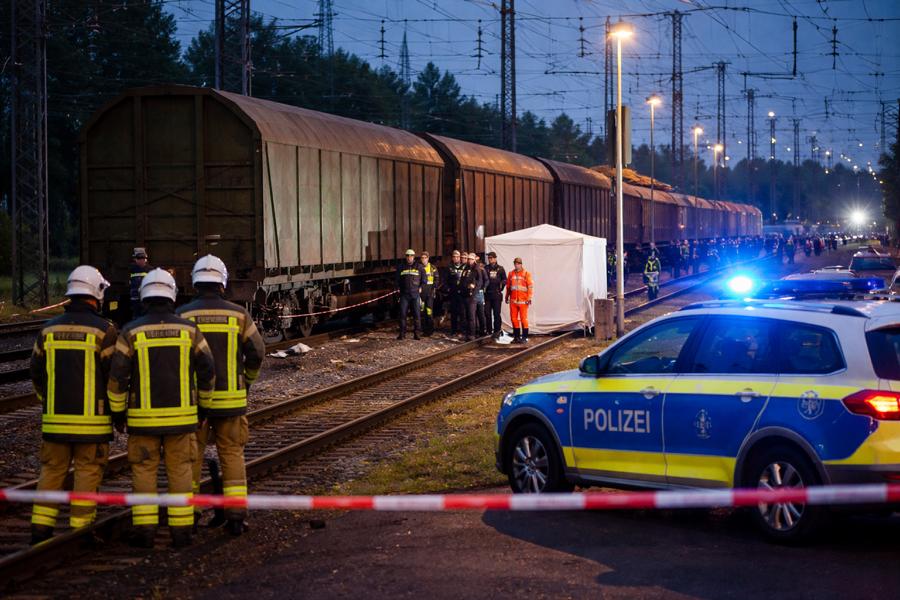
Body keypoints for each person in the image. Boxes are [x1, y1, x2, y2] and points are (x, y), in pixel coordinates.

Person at [107, 268, 216, 549]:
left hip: (142, 422)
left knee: (144, 472)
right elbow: (207, 371)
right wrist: (203, 408)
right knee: (180, 472)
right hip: (182, 421)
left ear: (144, 297)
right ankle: (181, 533)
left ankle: (145, 531)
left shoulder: (130, 332)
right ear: (172, 296)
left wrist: (118, 414)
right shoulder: (190, 331)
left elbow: (118, 378)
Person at [29, 266, 118, 545]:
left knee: (51, 471)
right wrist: (117, 412)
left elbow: (37, 372)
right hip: (92, 423)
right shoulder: (105, 331)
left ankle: (40, 529)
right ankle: (81, 531)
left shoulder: (48, 329)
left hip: (55, 421)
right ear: (96, 293)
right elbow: (113, 377)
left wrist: (48, 402)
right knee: (87, 472)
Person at [177, 255, 265, 536]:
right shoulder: (238, 315)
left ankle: (188, 517)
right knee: (232, 456)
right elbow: (257, 352)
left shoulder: (182, 316)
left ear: (195, 283)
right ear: (222, 284)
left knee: (191, 459)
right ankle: (236, 516)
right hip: (231, 401)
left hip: (193, 405)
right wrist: (246, 381)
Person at [396, 249, 426, 340]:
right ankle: (402, 334)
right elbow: (397, 280)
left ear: (414, 257)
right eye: (408, 256)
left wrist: (421, 287)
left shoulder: (419, 267)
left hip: (415, 295)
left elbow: (424, 280)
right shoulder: (401, 267)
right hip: (404, 295)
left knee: (417, 315)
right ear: (406, 257)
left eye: (411, 256)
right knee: (402, 315)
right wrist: (398, 289)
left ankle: (417, 334)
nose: (409, 258)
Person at [505, 258, 533, 343]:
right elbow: (508, 287)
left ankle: (525, 337)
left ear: (521, 264)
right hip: (513, 301)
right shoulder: (511, 274)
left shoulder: (526, 273)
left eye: (518, 264)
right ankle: (516, 337)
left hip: (523, 301)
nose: (516, 265)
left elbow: (530, 287)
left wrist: (529, 298)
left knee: (523, 319)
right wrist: (506, 296)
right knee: (513, 319)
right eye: (515, 264)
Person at [458, 253, 482, 341]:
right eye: (469, 259)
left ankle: (472, 334)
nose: (469, 260)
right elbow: (462, 279)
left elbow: (480, 282)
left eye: (471, 259)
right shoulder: (466, 268)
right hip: (464, 294)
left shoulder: (477, 269)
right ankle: (465, 333)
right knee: (464, 315)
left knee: (471, 316)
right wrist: (460, 288)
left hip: (472, 296)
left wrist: (474, 289)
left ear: (474, 260)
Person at [484, 252, 506, 338]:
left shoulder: (500, 268)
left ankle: (497, 331)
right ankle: (489, 331)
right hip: (487, 295)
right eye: (489, 258)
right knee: (487, 314)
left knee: (496, 314)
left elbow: (505, 280)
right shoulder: (486, 268)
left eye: (491, 258)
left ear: (495, 258)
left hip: (496, 295)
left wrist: (500, 286)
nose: (490, 259)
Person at [443, 250, 465, 336]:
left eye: (457, 257)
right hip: (453, 292)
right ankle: (453, 330)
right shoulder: (449, 267)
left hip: (462, 293)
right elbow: (445, 280)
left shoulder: (464, 266)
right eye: (454, 257)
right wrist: (448, 289)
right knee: (454, 312)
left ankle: (462, 330)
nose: (456, 258)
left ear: (459, 257)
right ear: (452, 258)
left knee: (462, 312)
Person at [419, 251, 439, 336]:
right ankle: (424, 330)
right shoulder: (419, 268)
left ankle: (430, 330)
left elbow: (437, 279)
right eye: (422, 258)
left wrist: (434, 288)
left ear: (428, 258)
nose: (424, 259)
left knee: (429, 312)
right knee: (422, 312)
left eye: (425, 258)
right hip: (421, 294)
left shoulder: (432, 268)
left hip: (430, 293)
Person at [129, 248, 152, 319]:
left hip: (145, 298)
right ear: (135, 259)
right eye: (138, 258)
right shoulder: (132, 269)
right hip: (135, 297)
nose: (141, 260)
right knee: (136, 316)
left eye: (142, 258)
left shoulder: (150, 269)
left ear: (145, 259)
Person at [474, 254, 488, 336]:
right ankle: (476, 330)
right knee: (473, 313)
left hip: (479, 293)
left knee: (481, 312)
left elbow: (486, 280)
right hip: (472, 293)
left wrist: (483, 288)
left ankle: (483, 330)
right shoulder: (470, 269)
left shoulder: (481, 269)